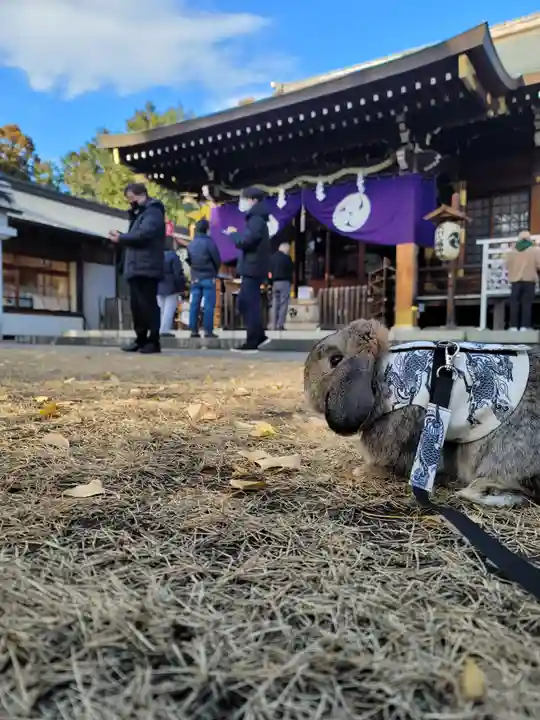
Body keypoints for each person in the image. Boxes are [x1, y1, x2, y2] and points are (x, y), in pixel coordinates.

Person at [109, 183, 165, 354]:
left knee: (148, 305)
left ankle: (153, 341)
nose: (130, 201)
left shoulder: (153, 211)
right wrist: (123, 236)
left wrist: (122, 238)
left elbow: (145, 234)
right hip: (136, 266)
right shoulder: (139, 214)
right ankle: (140, 339)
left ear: (140, 195)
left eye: (131, 198)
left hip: (147, 266)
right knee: (136, 306)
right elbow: (136, 235)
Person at [228, 188, 271, 353]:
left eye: (244, 198)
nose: (242, 202)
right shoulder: (258, 219)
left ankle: (253, 339)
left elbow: (248, 241)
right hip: (253, 266)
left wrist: (233, 235)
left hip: (253, 267)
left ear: (252, 200)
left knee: (249, 303)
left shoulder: (256, 219)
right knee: (246, 302)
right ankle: (258, 335)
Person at [186, 218, 221, 338]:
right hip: (208, 276)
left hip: (195, 277)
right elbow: (217, 259)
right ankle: (208, 330)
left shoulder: (191, 243)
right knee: (208, 305)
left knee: (194, 304)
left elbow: (188, 259)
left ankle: (193, 330)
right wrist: (214, 271)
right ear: (207, 229)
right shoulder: (209, 243)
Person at [505, 230, 540, 331]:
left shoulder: (512, 251)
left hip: (515, 280)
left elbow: (507, 265)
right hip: (529, 279)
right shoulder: (535, 250)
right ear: (529, 238)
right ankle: (525, 326)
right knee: (526, 303)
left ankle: (513, 326)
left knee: (514, 303)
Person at [157, 239, 186, 337]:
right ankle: (164, 330)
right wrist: (182, 286)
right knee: (169, 310)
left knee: (161, 309)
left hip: (158, 285)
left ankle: (159, 329)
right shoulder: (173, 256)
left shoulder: (157, 256)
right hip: (171, 286)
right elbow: (178, 273)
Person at [269, 242, 294, 330]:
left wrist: (269, 282)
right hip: (285, 282)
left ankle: (273, 324)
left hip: (275, 283)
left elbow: (269, 271)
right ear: (286, 249)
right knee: (283, 303)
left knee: (275, 303)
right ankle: (280, 324)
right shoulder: (287, 258)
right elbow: (292, 269)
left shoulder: (272, 258)